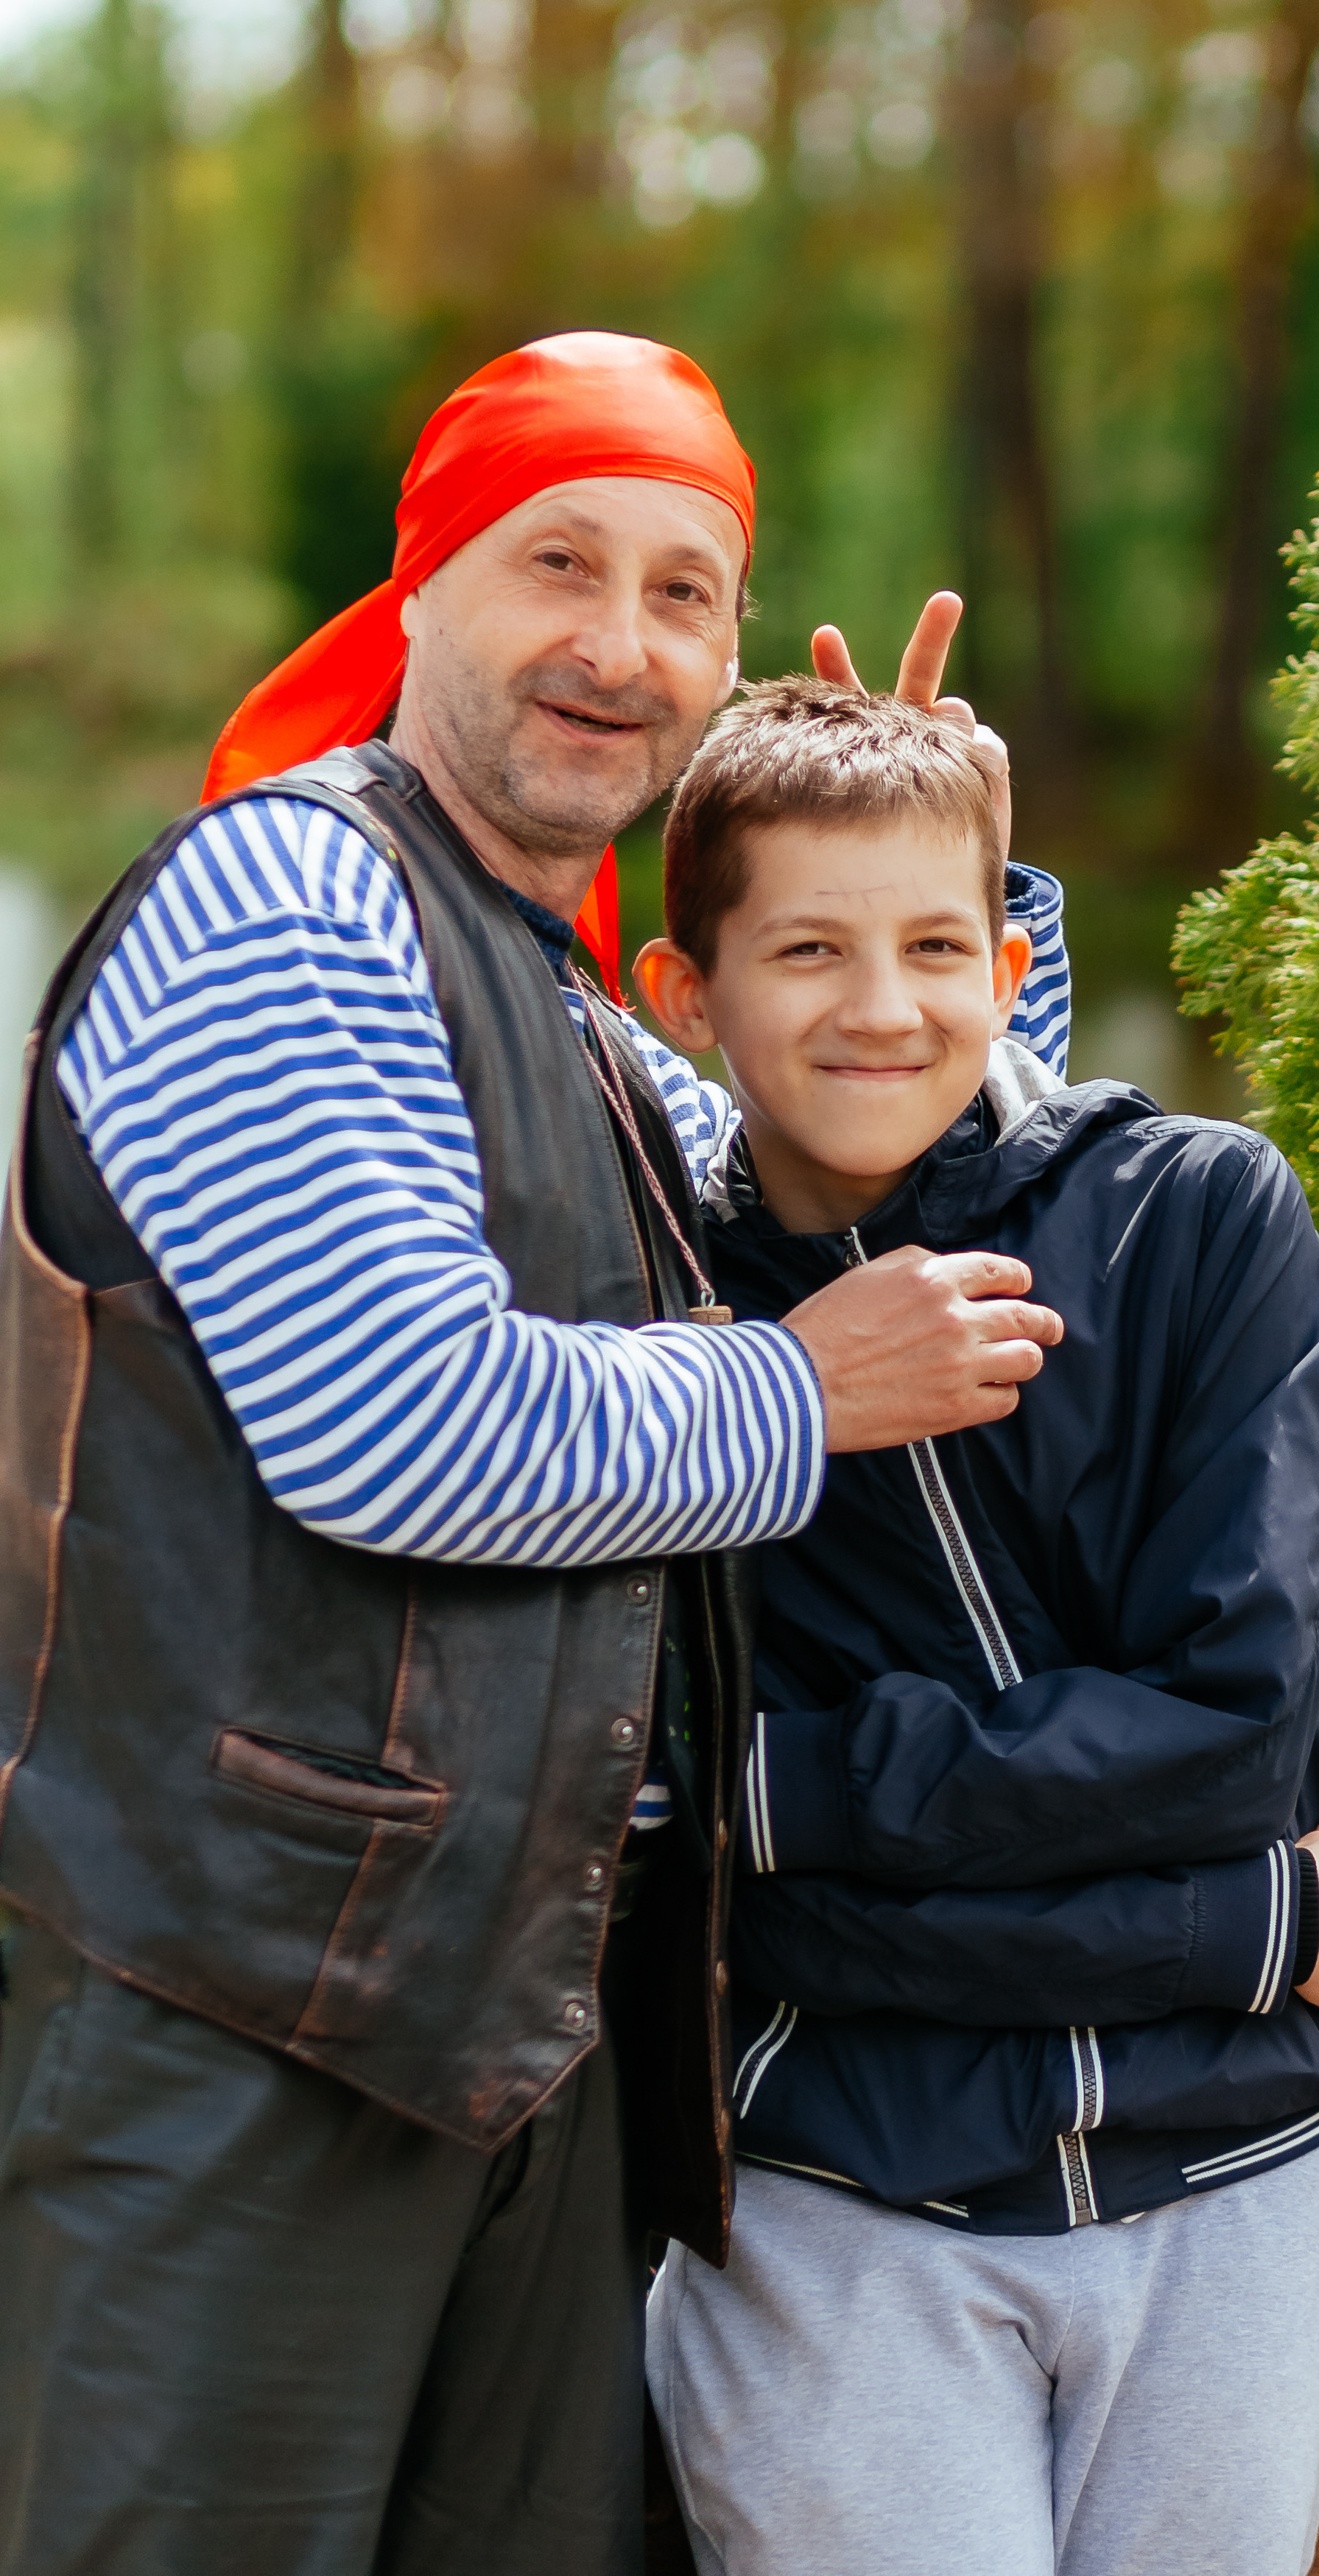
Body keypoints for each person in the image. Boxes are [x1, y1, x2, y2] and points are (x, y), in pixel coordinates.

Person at [0, 334, 1075, 2576]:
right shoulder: (285, 906)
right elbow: (404, 1432)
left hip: (533, 2036)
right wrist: (810, 1391)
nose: (621, 641)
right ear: (418, 595)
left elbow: (871, 1191)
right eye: (558, 563)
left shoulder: (587, 1010)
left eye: (689, 592)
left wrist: (944, 874)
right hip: (235, 2034)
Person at [630, 681, 1319, 2576]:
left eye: (927, 948)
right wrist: (1246, 1924)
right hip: (830, 2202)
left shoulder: (1194, 1222)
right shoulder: (649, 1335)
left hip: (1217, 2184)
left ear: (1004, 963)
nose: (877, 1007)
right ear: (684, 995)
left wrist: (781, 1791)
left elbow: (1227, 1737)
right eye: (804, 949)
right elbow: (667, 1842)